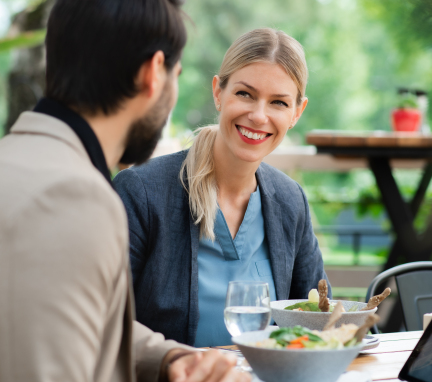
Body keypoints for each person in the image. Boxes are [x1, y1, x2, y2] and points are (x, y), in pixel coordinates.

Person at [0, 0, 249, 382]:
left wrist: (169, 359)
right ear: (153, 73)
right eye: (176, 76)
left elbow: (59, 314)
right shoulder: (66, 198)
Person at [114, 28, 330, 347]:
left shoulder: (290, 200)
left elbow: (316, 319)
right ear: (218, 92)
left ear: (297, 112)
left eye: (279, 103)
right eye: (245, 94)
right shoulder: (142, 192)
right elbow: (105, 322)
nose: (258, 116)